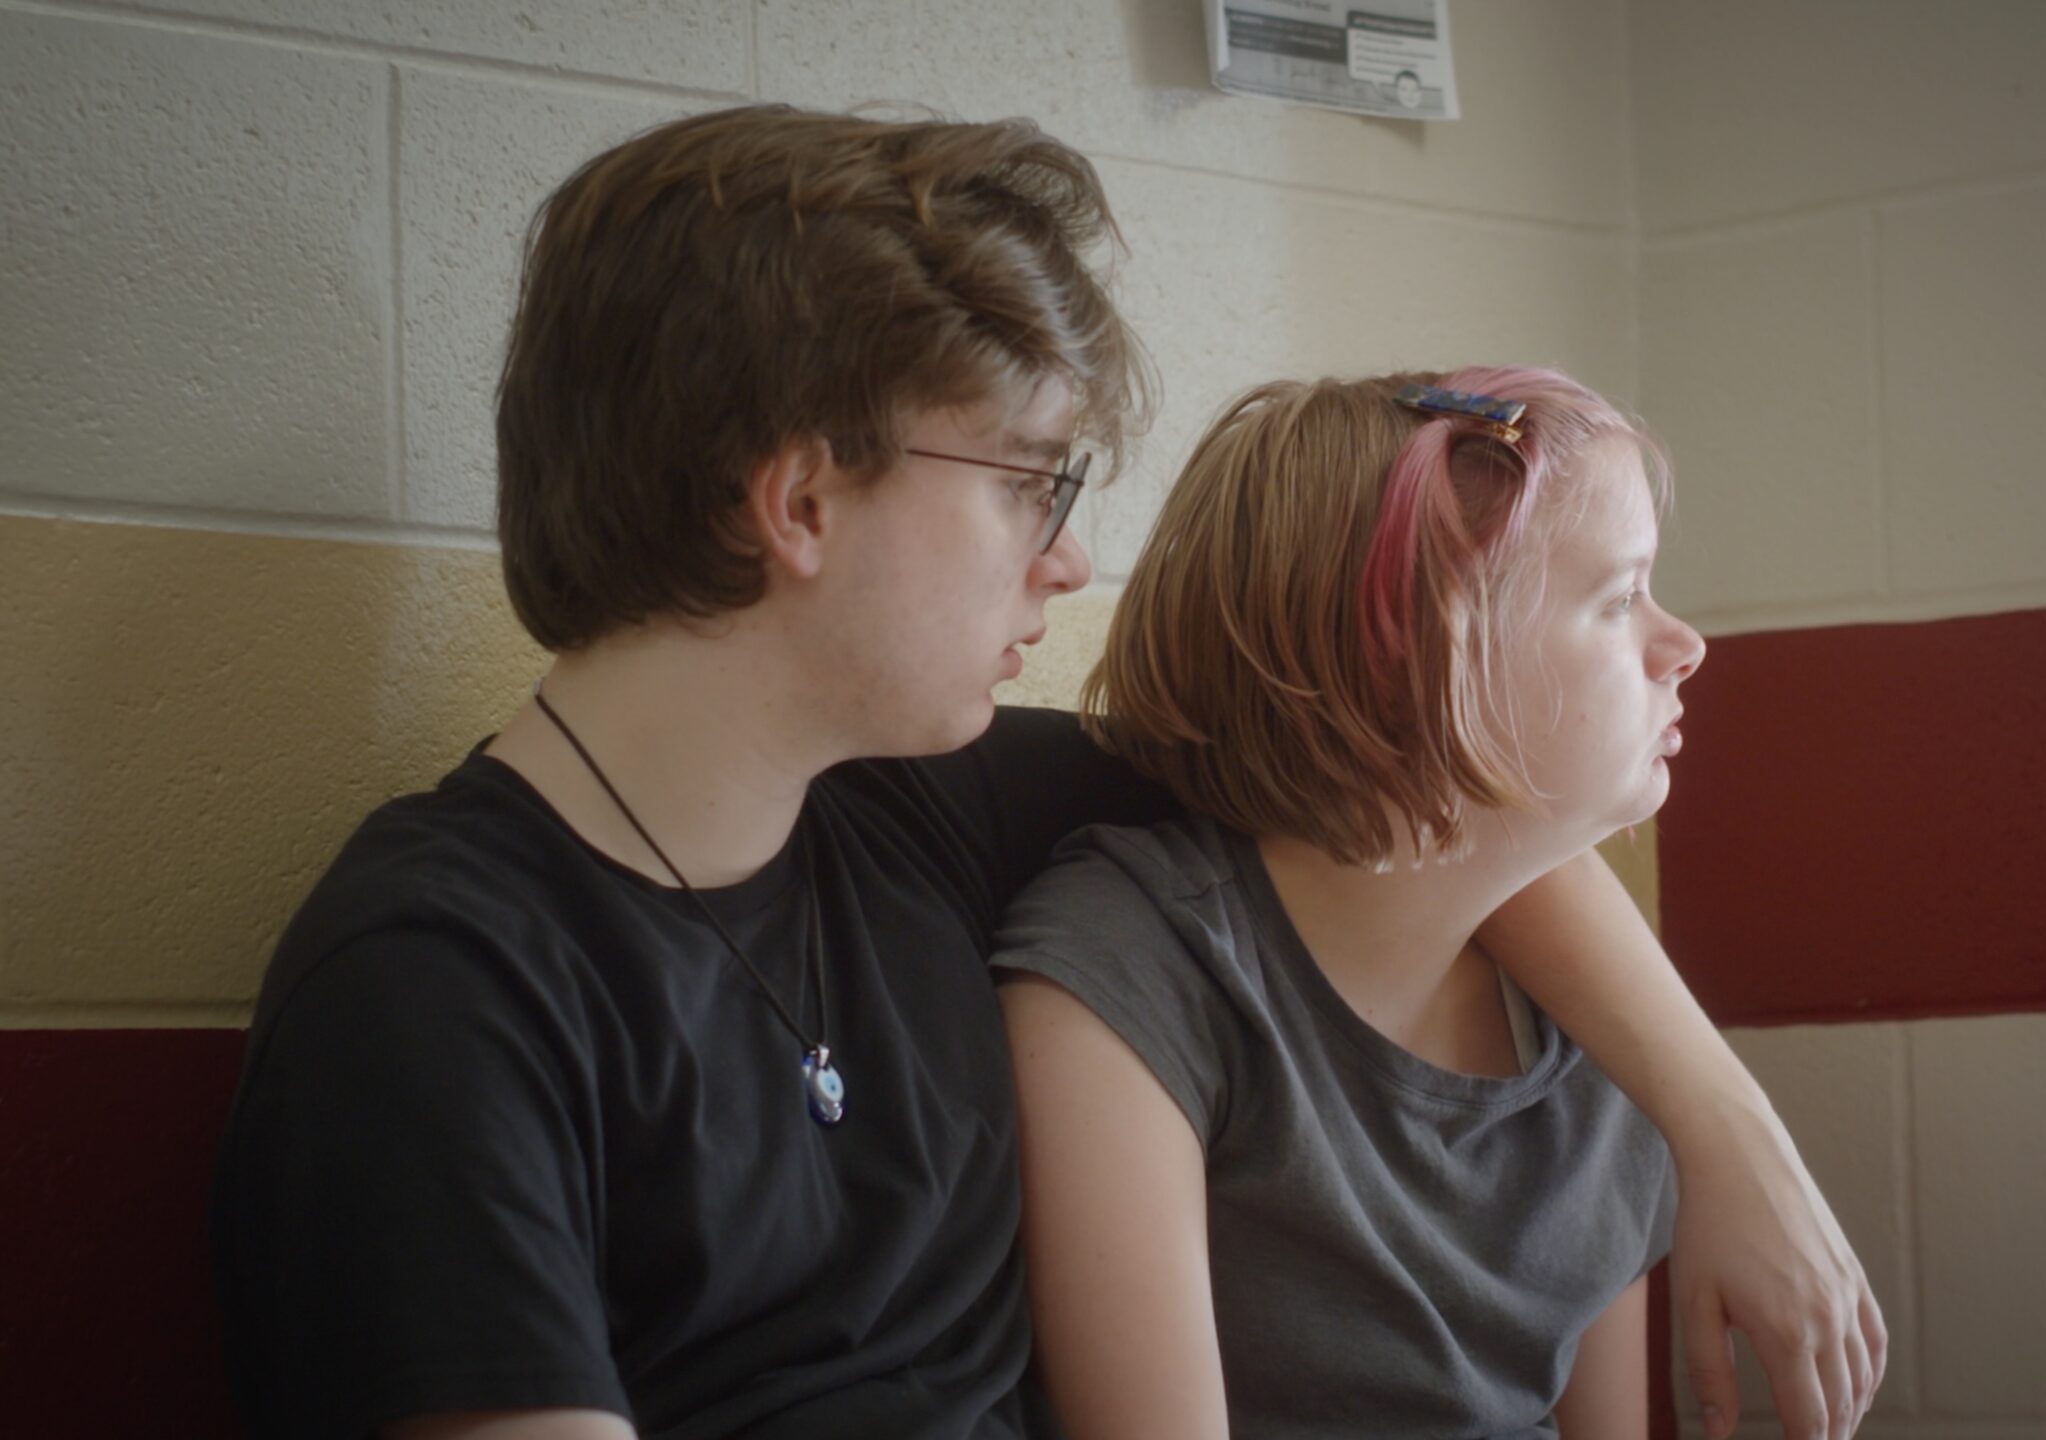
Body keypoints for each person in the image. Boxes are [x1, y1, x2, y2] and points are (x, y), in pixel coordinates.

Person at [210, 105, 1881, 1440]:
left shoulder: (922, 811)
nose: (1067, 564)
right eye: (1027, 482)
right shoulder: (432, 987)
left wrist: (1730, 1139)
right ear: (797, 504)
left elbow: (1412, 792)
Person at [993, 368, 1698, 1439]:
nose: (1680, 643)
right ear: (1405, 661)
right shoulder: (1128, 972)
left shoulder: (1597, 1023)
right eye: (1617, 599)